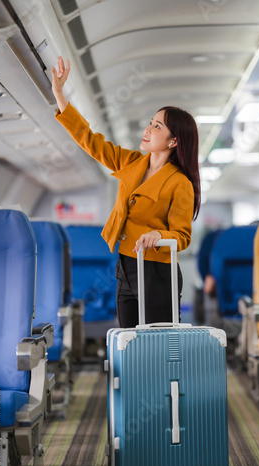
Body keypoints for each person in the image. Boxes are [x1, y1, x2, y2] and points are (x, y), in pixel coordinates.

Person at [51, 57, 201, 328]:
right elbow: (90, 140)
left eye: (158, 126)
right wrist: (60, 95)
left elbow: (182, 236)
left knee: (158, 347)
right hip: (125, 267)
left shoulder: (180, 183)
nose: (148, 129)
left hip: (158, 272)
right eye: (151, 122)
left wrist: (159, 235)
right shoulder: (131, 162)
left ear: (174, 141)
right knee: (130, 345)